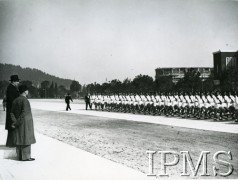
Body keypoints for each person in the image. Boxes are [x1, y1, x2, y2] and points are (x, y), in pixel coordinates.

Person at [10, 84, 36, 161]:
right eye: (27, 90)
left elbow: (11, 113)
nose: (28, 91)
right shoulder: (25, 101)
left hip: (17, 123)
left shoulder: (15, 100)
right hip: (25, 124)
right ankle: (26, 157)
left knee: (19, 139)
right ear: (24, 92)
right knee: (26, 139)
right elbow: (24, 113)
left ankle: (19, 156)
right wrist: (18, 122)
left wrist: (15, 122)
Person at [5, 75, 20, 147]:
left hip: (11, 111)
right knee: (12, 127)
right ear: (13, 81)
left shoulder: (12, 88)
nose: (18, 82)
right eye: (17, 81)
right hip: (12, 111)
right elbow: (12, 100)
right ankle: (12, 143)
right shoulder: (11, 88)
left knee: (12, 128)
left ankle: (10, 143)